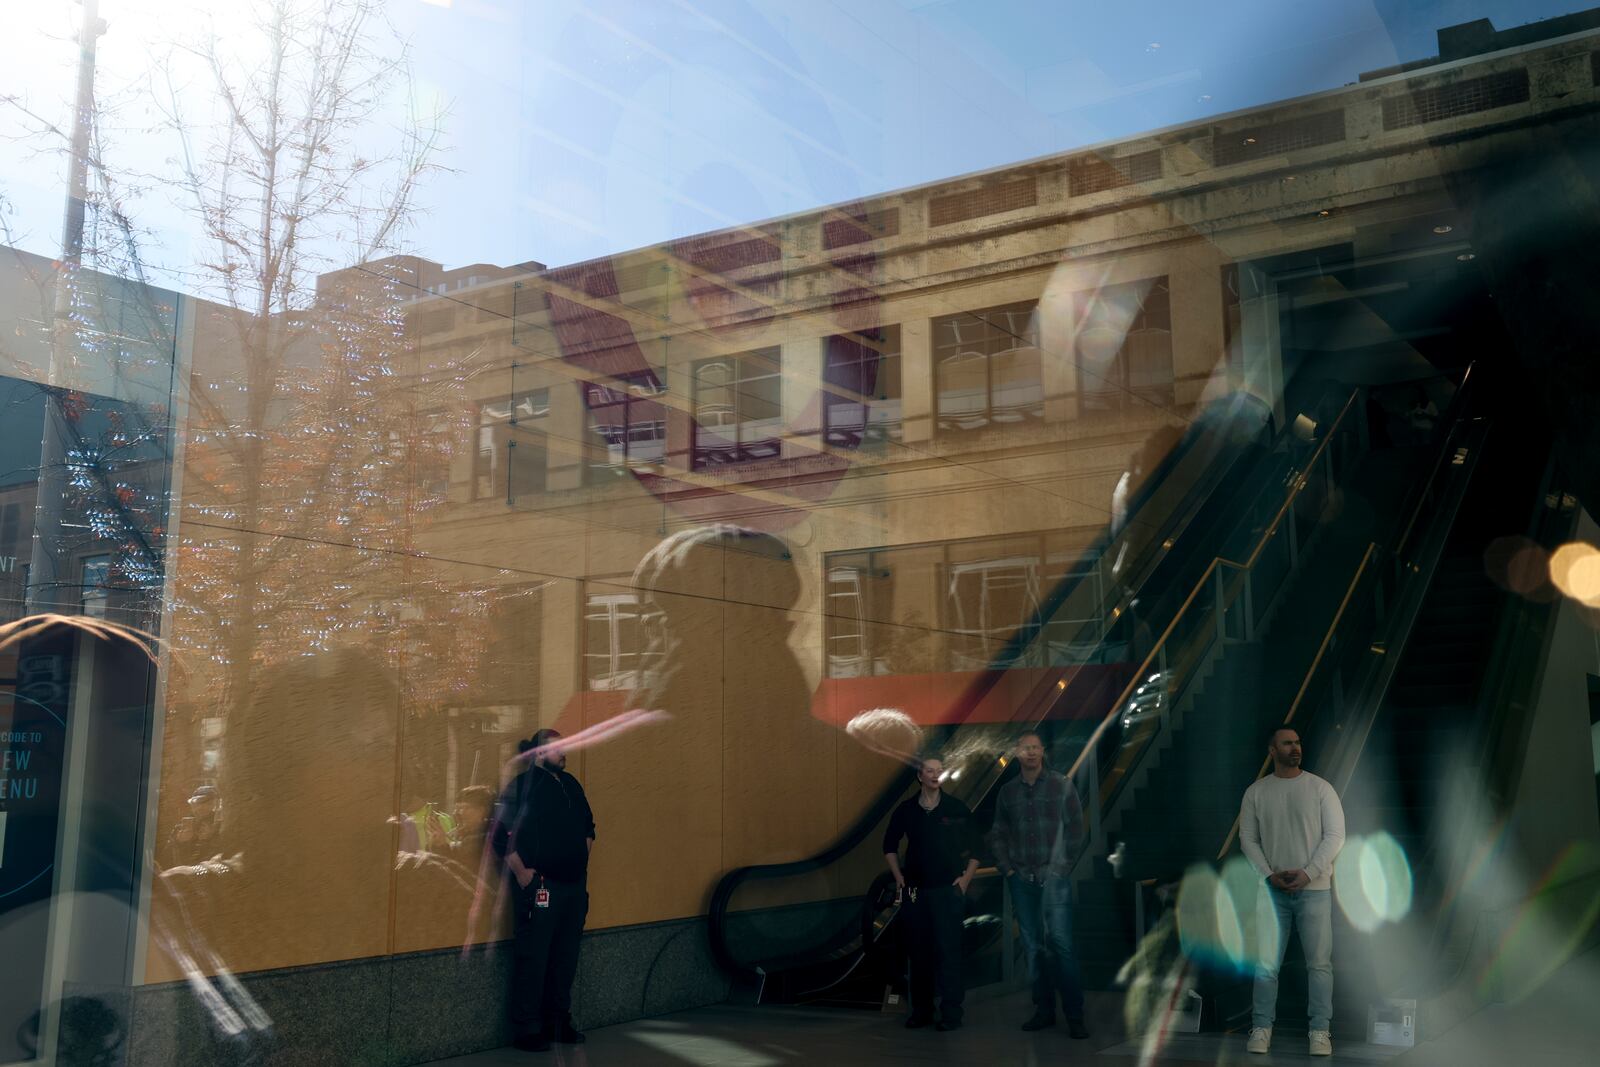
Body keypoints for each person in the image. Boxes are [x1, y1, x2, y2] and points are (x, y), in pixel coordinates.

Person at [1238, 725, 1346, 1058]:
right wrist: (1269, 875)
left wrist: (1308, 873)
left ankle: (1319, 1031)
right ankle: (1262, 1027)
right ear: (1272, 750)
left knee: (1319, 965)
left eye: (1298, 742)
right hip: (1272, 892)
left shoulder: (1320, 788)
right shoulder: (1256, 792)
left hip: (1314, 889)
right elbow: (1248, 840)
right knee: (1266, 965)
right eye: (1287, 743)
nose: (1295, 747)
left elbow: (1335, 836)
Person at [491, 729, 596, 1052]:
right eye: (557, 748)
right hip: (541, 886)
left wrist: (579, 863)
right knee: (534, 956)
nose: (564, 752)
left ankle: (557, 1021)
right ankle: (527, 1028)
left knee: (566, 957)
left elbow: (589, 829)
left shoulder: (571, 785)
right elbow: (499, 833)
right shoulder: (522, 786)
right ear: (538, 753)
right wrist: (522, 872)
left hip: (573, 887)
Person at [987, 731, 1090, 1039]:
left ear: (1042, 752)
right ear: (1017, 753)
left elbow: (1076, 829)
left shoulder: (1061, 784)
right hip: (1022, 881)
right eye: (1024, 748)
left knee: (1061, 945)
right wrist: (1007, 870)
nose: (1030, 753)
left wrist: (1060, 868)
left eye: (1035, 748)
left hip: (1053, 881)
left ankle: (1075, 1016)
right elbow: (997, 833)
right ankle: (1043, 1011)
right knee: (1033, 949)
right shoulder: (1008, 792)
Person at [883, 754, 980, 1032]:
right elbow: (889, 845)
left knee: (949, 952)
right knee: (918, 952)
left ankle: (951, 1013)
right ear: (920, 776)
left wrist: (965, 880)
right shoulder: (906, 810)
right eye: (930, 770)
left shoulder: (955, 808)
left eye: (940, 770)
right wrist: (899, 878)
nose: (936, 775)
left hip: (947, 890)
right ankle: (921, 1011)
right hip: (913, 892)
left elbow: (978, 848)